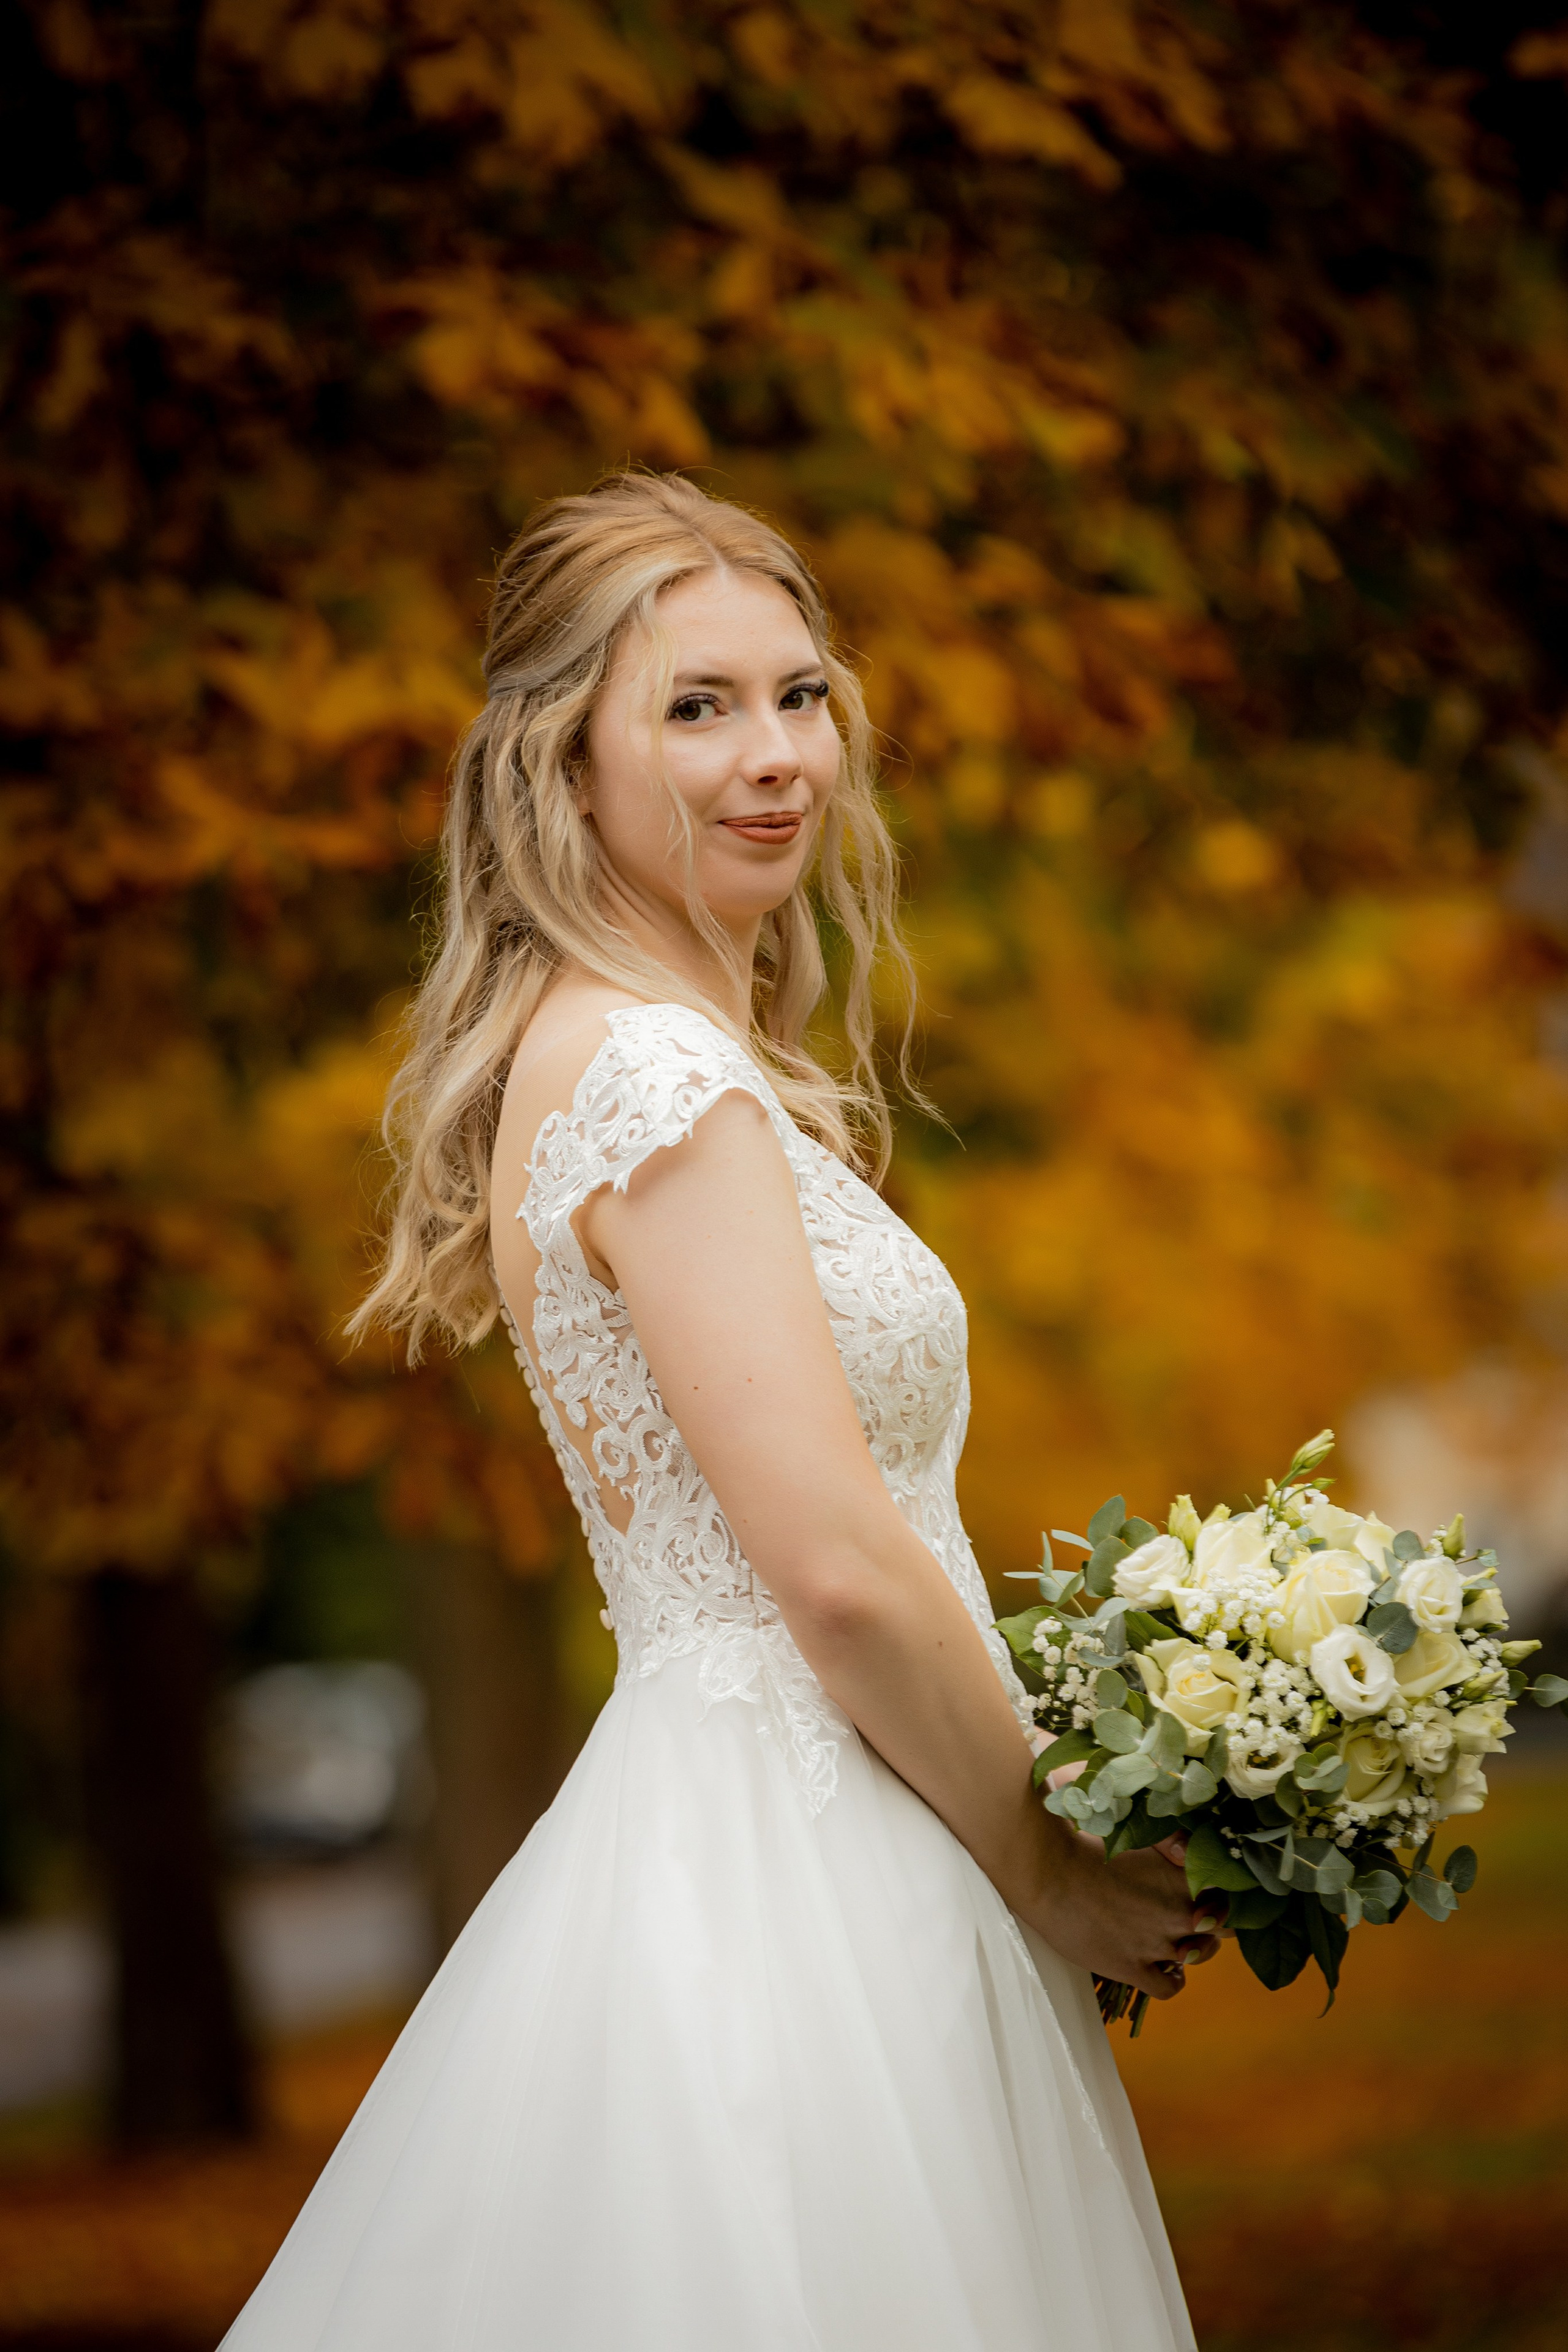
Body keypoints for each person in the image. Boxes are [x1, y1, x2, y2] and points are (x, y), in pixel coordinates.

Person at [222, 472, 1215, 2351]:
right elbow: (833, 1564)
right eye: (697, 707)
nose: (777, 756)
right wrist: (1049, 1870)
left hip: (829, 1816)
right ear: (562, 764)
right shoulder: (652, 1075)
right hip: (802, 1877)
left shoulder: (643, 1052)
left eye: (800, 694)